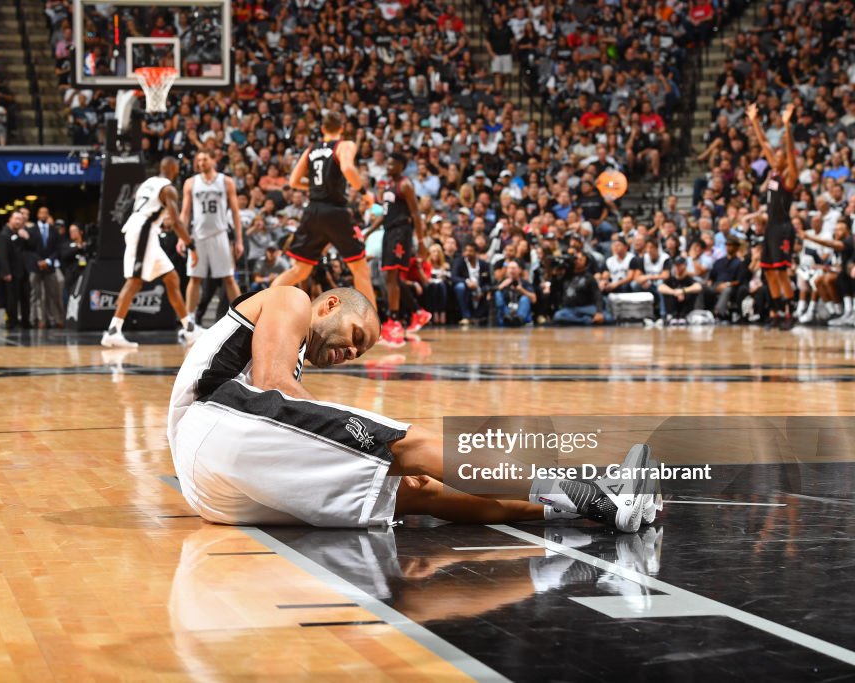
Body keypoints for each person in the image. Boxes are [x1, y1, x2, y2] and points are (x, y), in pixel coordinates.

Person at [167, 286, 657, 532]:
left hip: (218, 492)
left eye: (358, 353)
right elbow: (273, 386)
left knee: (418, 491)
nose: (349, 353)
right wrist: (361, 433)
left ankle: (583, 509)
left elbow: (277, 396)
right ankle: (598, 491)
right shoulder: (292, 299)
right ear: (328, 304)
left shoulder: (291, 363)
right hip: (210, 423)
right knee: (408, 444)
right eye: (354, 337)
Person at [272, 111, 375, 307]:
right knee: (360, 270)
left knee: (299, 271)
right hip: (335, 211)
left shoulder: (311, 149)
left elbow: (293, 181)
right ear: (342, 128)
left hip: (313, 211)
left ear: (322, 129)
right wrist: (363, 192)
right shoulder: (345, 145)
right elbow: (347, 168)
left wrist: (314, 187)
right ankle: (374, 327)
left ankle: (263, 306)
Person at [101, 156, 196, 348]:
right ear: (174, 168)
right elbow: (176, 222)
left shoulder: (147, 183)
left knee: (171, 278)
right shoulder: (168, 189)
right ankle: (113, 331)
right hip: (144, 231)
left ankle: (189, 328)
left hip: (145, 230)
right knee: (135, 281)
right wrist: (191, 245)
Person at [367, 152, 429, 346]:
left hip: (401, 232)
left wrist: (421, 241)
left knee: (392, 276)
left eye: (393, 164)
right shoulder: (387, 186)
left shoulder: (405, 185)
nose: (389, 166)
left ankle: (393, 321)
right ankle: (416, 313)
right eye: (388, 163)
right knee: (390, 277)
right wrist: (368, 231)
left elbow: (416, 214)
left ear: (401, 166)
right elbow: (385, 214)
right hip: (389, 231)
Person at [179, 151, 244, 330]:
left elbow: (236, 212)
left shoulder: (226, 181)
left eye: (204, 159)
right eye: (198, 160)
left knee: (229, 278)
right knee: (194, 278)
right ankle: (189, 322)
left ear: (213, 161)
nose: (201, 162)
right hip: (197, 237)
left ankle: (243, 316)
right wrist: (181, 237)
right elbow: (185, 213)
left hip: (220, 234)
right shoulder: (191, 183)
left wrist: (239, 241)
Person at [747, 102, 798, 329]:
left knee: (781, 271)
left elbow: (789, 153)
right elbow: (764, 142)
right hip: (770, 228)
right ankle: (776, 313)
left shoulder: (790, 176)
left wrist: (787, 127)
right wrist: (754, 121)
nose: (775, 155)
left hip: (783, 227)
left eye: (779, 154)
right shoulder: (775, 172)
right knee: (768, 272)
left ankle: (790, 313)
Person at [26, 206, 64, 329]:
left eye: (45, 213)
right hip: (35, 266)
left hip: (50, 266)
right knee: (35, 295)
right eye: (41, 212)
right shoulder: (31, 230)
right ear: (37, 215)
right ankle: (36, 320)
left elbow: (57, 249)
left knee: (53, 294)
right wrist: (39, 261)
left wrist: (48, 261)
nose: (43, 214)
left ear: (48, 215)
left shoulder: (53, 230)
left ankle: (55, 319)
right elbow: (29, 248)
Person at [0, 211, 32, 329]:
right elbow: (2, 255)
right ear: (10, 220)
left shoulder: (22, 234)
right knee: (12, 299)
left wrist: (27, 238)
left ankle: (26, 321)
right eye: (16, 219)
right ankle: (12, 322)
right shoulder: (4, 234)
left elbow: (32, 248)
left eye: (20, 219)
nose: (18, 221)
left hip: (23, 271)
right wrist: (6, 272)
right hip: (11, 272)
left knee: (25, 297)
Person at [658, 257, 702, 324]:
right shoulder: (671, 279)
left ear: (685, 266)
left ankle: (684, 316)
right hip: (673, 308)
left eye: (679, 265)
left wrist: (683, 291)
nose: (677, 267)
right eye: (676, 265)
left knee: (691, 292)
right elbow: (660, 287)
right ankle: (671, 316)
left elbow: (698, 287)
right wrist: (674, 292)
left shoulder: (689, 279)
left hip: (686, 309)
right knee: (667, 292)